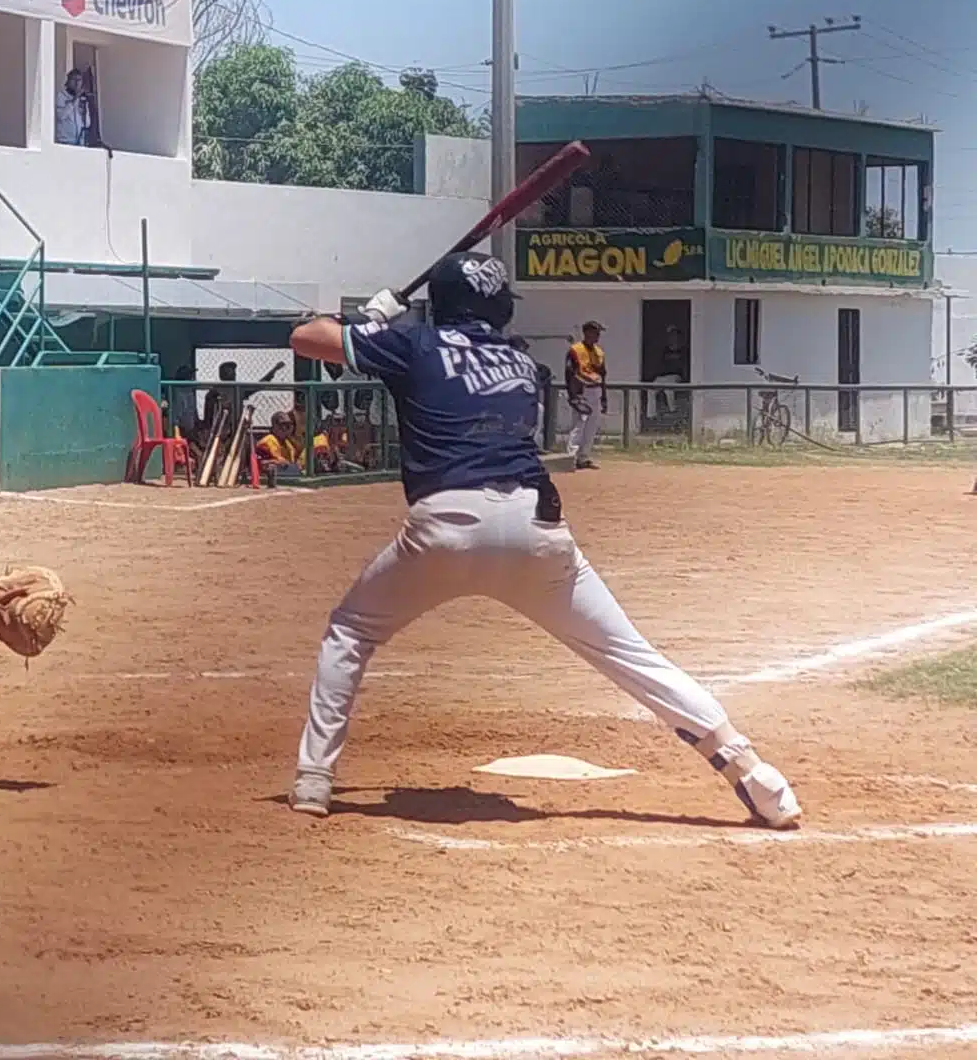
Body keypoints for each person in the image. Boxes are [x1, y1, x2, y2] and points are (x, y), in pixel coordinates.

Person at [280, 253, 801, 830]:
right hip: (538, 529)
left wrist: (370, 318)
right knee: (631, 656)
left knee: (350, 631)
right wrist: (378, 332)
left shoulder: (416, 345)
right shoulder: (520, 361)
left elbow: (306, 338)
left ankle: (313, 780)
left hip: (445, 527)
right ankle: (756, 777)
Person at [565, 320, 607, 469]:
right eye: (595, 332)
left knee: (592, 426)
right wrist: (573, 395)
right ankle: (571, 457)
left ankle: (584, 458)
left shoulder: (599, 352)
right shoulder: (575, 350)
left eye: (598, 333)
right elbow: (569, 373)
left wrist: (604, 398)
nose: (597, 336)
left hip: (596, 390)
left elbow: (603, 375)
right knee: (579, 425)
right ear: (586, 332)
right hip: (582, 390)